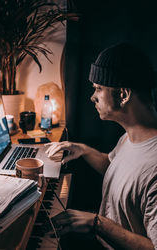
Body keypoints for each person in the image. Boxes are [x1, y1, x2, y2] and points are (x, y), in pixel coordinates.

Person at [45, 43, 157, 250]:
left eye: (98, 88)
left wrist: (97, 223)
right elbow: (117, 170)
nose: (92, 97)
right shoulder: (130, 137)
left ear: (123, 95)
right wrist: (83, 150)